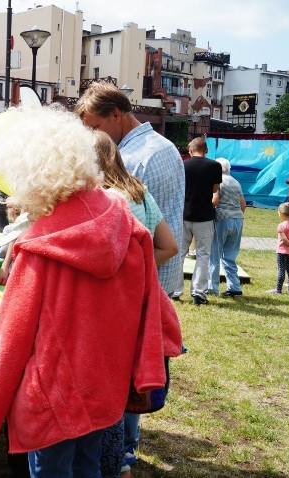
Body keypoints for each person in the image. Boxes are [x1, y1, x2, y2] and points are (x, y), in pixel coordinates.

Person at [0, 106, 182, 477]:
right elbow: (156, 314)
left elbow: (10, 344)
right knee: (89, 468)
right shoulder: (128, 229)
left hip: (52, 397)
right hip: (105, 388)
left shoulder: (39, 249)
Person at [76, 81, 185, 469]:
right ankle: (124, 444)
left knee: (122, 372)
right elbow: (164, 235)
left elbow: (135, 240)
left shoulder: (141, 158)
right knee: (130, 369)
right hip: (149, 282)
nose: (91, 136)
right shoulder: (150, 155)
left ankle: (122, 448)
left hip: (138, 289)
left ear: (116, 116)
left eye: (93, 126)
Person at [94, 130, 179, 266]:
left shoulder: (106, 199)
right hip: (137, 284)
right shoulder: (140, 192)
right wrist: (138, 270)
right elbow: (169, 247)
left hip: (112, 286)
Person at [177, 137, 221, 305]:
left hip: (184, 214)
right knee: (203, 254)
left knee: (180, 253)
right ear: (206, 150)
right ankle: (199, 293)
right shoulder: (215, 166)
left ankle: (176, 290)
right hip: (204, 215)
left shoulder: (182, 164)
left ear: (190, 150)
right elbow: (215, 189)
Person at [208, 158, 246, 297]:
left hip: (222, 218)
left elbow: (215, 200)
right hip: (237, 219)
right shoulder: (236, 182)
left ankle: (212, 287)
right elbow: (243, 204)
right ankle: (234, 286)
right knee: (230, 256)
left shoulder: (218, 181)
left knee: (214, 254)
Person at [271, 202, 289, 294]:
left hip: (281, 252)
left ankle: (278, 290)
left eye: (278, 212)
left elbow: (284, 239)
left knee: (281, 270)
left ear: (282, 214)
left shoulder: (281, 225)